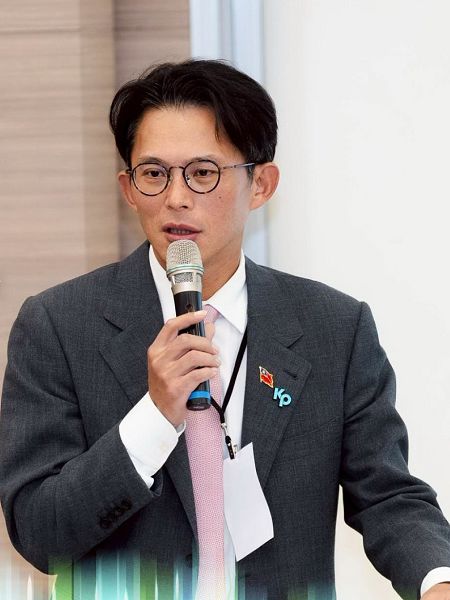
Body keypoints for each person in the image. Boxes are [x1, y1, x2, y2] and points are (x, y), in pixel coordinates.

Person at [1, 59, 449, 600]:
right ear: (128, 188)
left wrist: (437, 580)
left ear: (261, 184)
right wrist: (153, 417)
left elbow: (388, 496)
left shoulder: (334, 328)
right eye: (154, 174)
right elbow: (39, 532)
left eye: (202, 173)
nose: (176, 197)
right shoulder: (57, 326)